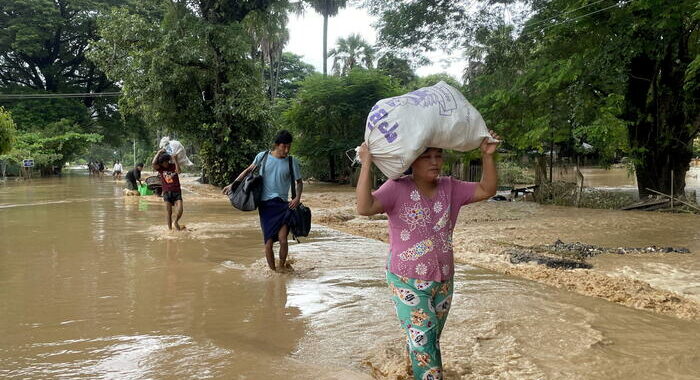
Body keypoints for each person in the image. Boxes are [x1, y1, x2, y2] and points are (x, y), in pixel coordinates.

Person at [355, 131, 500, 379]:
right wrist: (367, 162)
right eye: (427, 157)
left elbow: (487, 189)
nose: (434, 162)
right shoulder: (396, 188)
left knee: (428, 339)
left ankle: (411, 370)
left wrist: (487, 156)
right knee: (426, 337)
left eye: (438, 155)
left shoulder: (451, 187)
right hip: (406, 279)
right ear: (412, 161)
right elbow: (364, 207)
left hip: (444, 280)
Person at [223, 130, 303, 271]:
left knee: (283, 240)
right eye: (284, 146)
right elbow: (248, 171)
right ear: (277, 145)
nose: (287, 149)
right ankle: (273, 272)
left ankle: (282, 267)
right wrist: (233, 184)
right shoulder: (263, 156)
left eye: (289, 146)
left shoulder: (292, 162)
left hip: (284, 205)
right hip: (265, 206)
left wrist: (297, 198)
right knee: (268, 243)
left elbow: (299, 182)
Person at [152, 150, 184, 230]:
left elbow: (179, 171)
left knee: (180, 210)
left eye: (166, 161)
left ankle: (176, 221)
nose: (165, 164)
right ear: (161, 163)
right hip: (166, 192)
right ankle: (170, 230)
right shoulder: (160, 169)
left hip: (176, 191)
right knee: (168, 213)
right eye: (163, 162)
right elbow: (153, 163)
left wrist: (175, 160)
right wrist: (158, 152)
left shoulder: (173, 166)